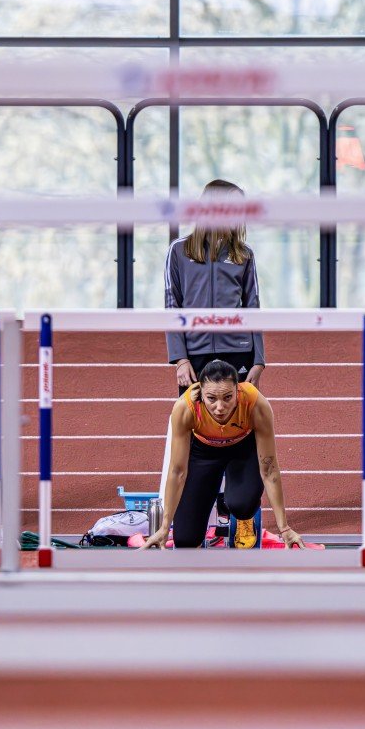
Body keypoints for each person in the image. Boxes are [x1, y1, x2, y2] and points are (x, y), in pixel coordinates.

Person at [143, 359, 304, 550]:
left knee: (242, 505)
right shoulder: (185, 407)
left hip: (242, 448)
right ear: (201, 393)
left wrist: (284, 528)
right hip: (204, 451)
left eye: (228, 397)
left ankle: (243, 517)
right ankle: (221, 500)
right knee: (185, 540)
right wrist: (163, 527)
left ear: (238, 391)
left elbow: (269, 470)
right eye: (211, 399)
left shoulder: (255, 403)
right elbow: (178, 471)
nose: (220, 407)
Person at [164, 179, 265, 394]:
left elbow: (252, 306)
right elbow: (173, 306)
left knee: (241, 423)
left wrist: (258, 360)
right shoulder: (179, 250)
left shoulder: (244, 254)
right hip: (195, 353)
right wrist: (180, 359)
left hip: (239, 350)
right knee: (192, 423)